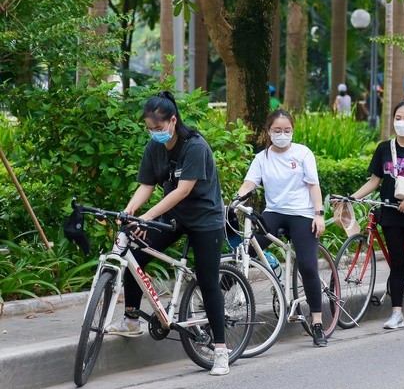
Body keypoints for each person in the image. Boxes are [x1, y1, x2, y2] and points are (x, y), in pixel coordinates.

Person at [105, 91, 230, 376]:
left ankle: (221, 351)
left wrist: (148, 216)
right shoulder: (154, 148)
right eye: (149, 129)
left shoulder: (195, 146)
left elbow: (184, 189)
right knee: (134, 252)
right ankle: (132, 320)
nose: (154, 133)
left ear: (173, 121)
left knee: (208, 281)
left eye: (158, 128)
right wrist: (130, 212)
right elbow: (146, 185)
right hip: (174, 216)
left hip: (205, 218)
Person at [235, 109, 328, 346]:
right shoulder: (262, 158)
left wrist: (318, 215)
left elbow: (313, 186)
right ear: (268, 132)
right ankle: (215, 297)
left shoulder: (303, 153)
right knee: (245, 251)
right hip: (274, 213)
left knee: (307, 266)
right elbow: (249, 183)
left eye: (287, 131)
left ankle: (317, 323)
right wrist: (235, 200)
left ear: (292, 131)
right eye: (277, 131)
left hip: (301, 214)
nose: (282, 135)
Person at [349, 100, 404, 329]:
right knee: (397, 264)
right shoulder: (383, 149)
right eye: (399, 117)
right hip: (390, 213)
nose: (402, 122)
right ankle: (396, 313)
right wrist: (352, 197)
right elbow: (375, 180)